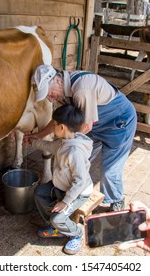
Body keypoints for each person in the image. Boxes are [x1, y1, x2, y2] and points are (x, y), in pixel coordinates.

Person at [26, 65, 137, 211]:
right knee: (75, 163)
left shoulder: (81, 88)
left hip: (119, 123)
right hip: (94, 124)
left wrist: (65, 145)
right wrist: (38, 135)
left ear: (58, 81)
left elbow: (86, 126)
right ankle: (72, 195)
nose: (51, 99)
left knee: (109, 170)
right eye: (47, 96)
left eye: (49, 93)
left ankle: (117, 201)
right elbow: (60, 120)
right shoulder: (62, 92)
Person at [29, 103, 94, 255]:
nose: (53, 128)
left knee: (58, 218)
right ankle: (55, 227)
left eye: (55, 125)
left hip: (78, 192)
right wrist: (31, 141)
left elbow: (80, 181)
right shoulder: (64, 141)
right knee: (39, 192)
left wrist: (66, 201)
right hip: (61, 186)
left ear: (62, 127)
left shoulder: (74, 151)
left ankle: (76, 234)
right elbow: (50, 146)